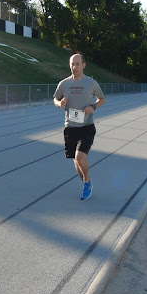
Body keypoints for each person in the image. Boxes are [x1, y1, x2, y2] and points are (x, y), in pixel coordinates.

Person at [53, 53, 105, 200]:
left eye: (77, 64)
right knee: (76, 160)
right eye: (72, 64)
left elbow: (101, 99)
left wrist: (93, 107)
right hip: (70, 127)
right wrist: (60, 103)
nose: (74, 67)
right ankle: (86, 182)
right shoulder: (64, 84)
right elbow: (55, 99)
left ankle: (87, 182)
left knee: (80, 157)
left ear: (83, 65)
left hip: (87, 126)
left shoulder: (91, 83)